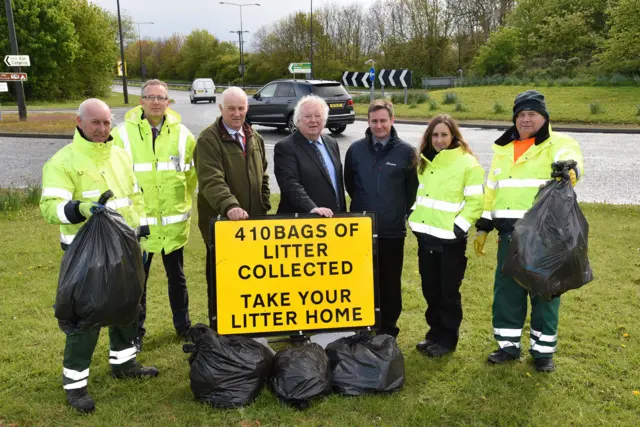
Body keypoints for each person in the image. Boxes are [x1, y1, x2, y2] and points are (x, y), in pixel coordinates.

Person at [40, 99, 159, 413]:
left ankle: (124, 363)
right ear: (79, 122)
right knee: (86, 317)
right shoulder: (63, 161)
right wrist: (78, 209)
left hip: (126, 250)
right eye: (95, 122)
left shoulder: (119, 155)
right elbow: (49, 207)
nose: (102, 129)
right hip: (86, 257)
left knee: (127, 308)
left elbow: (134, 195)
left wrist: (141, 229)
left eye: (107, 122)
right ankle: (76, 384)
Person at [474, 90, 584, 372]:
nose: (525, 119)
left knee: (545, 293)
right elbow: (492, 191)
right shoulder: (503, 150)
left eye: (532, 114)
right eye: (521, 115)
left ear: (544, 117)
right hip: (509, 236)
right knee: (507, 292)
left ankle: (543, 352)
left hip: (544, 235)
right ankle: (507, 346)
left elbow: (572, 158)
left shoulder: (558, 143)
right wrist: (485, 225)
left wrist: (571, 170)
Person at [111, 79, 197, 351]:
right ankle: (136, 333)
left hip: (172, 225)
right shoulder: (122, 134)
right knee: (138, 283)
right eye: (151, 97)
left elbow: (191, 177)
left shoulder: (183, 134)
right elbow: (115, 176)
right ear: (141, 101)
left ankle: (183, 326)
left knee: (178, 279)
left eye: (162, 98)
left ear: (168, 102)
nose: (157, 102)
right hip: (139, 226)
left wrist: (180, 205)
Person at [408, 114, 485, 357]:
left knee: (448, 292)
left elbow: (475, 202)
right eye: (435, 135)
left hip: (450, 241)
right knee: (430, 289)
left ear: (453, 136)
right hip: (426, 236)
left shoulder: (467, 163)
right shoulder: (425, 161)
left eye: (444, 134)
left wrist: (458, 228)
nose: (439, 140)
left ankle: (448, 339)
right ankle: (434, 334)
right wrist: (413, 218)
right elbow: (422, 196)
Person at [195, 86, 271, 329]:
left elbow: (264, 175)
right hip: (223, 226)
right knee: (222, 280)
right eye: (231, 109)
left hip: (252, 227)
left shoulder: (254, 137)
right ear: (221, 109)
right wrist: (230, 206)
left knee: (252, 277)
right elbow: (211, 180)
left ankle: (250, 327)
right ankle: (222, 330)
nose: (237, 113)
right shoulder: (209, 140)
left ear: (247, 108)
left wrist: (264, 202)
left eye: (241, 108)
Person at [344, 99, 418, 337]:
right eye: (374, 121)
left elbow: (411, 191)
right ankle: (364, 324)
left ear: (392, 120)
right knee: (363, 280)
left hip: (391, 231)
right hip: (361, 230)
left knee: (389, 282)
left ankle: (388, 328)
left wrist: (396, 213)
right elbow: (350, 185)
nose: (378, 125)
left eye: (383, 120)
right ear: (368, 122)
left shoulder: (406, 152)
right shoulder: (355, 150)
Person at [274, 95, 346, 217]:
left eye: (318, 116)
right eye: (307, 116)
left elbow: (337, 183)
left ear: (324, 119)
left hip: (333, 220)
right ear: (297, 120)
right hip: (302, 222)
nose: (313, 120)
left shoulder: (331, 143)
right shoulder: (285, 147)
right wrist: (312, 208)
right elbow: (290, 185)